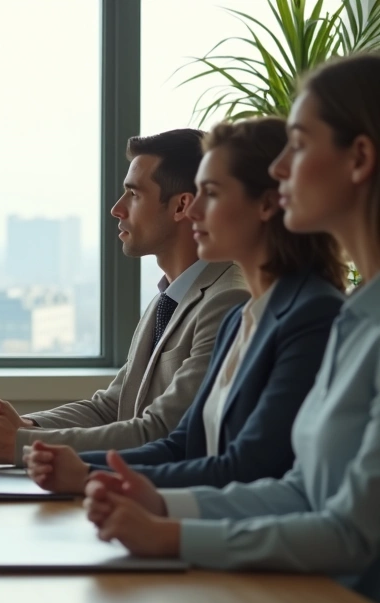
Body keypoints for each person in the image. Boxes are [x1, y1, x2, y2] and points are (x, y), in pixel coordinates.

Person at [85, 53, 380, 603]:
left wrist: (170, 531)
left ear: (359, 157)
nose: (280, 168)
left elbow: (348, 530)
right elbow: (298, 490)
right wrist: (160, 507)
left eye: (300, 143)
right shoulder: (353, 318)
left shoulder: (319, 314)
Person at [25, 117, 347, 494]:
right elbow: (183, 441)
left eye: (210, 193)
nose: (193, 212)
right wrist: (61, 458)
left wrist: (87, 475)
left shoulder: (302, 313)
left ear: (266, 204)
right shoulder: (240, 318)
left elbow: (246, 466)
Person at [0, 129, 249, 465]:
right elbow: (112, 406)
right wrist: (21, 425)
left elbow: (161, 431)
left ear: (181, 206)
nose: (117, 209)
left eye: (134, 194)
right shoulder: (169, 298)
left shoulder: (227, 300)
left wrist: (18, 443)